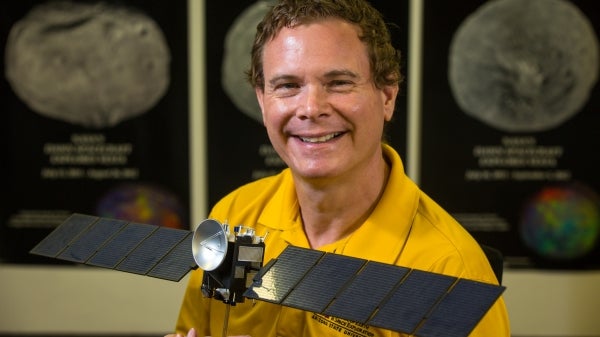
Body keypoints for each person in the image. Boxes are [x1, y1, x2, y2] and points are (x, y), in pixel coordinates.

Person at [169, 0, 511, 336]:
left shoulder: (450, 273)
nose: (311, 108)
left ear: (388, 95)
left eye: (339, 83)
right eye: (288, 86)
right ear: (262, 100)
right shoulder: (234, 217)